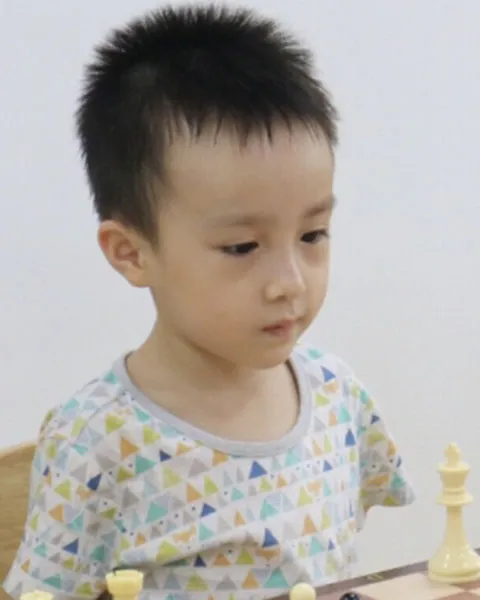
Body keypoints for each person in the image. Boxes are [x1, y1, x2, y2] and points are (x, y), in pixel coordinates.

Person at [3, 4, 414, 600]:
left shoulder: (337, 394)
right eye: (242, 246)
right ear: (131, 253)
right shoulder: (97, 441)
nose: (289, 282)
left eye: (312, 235)